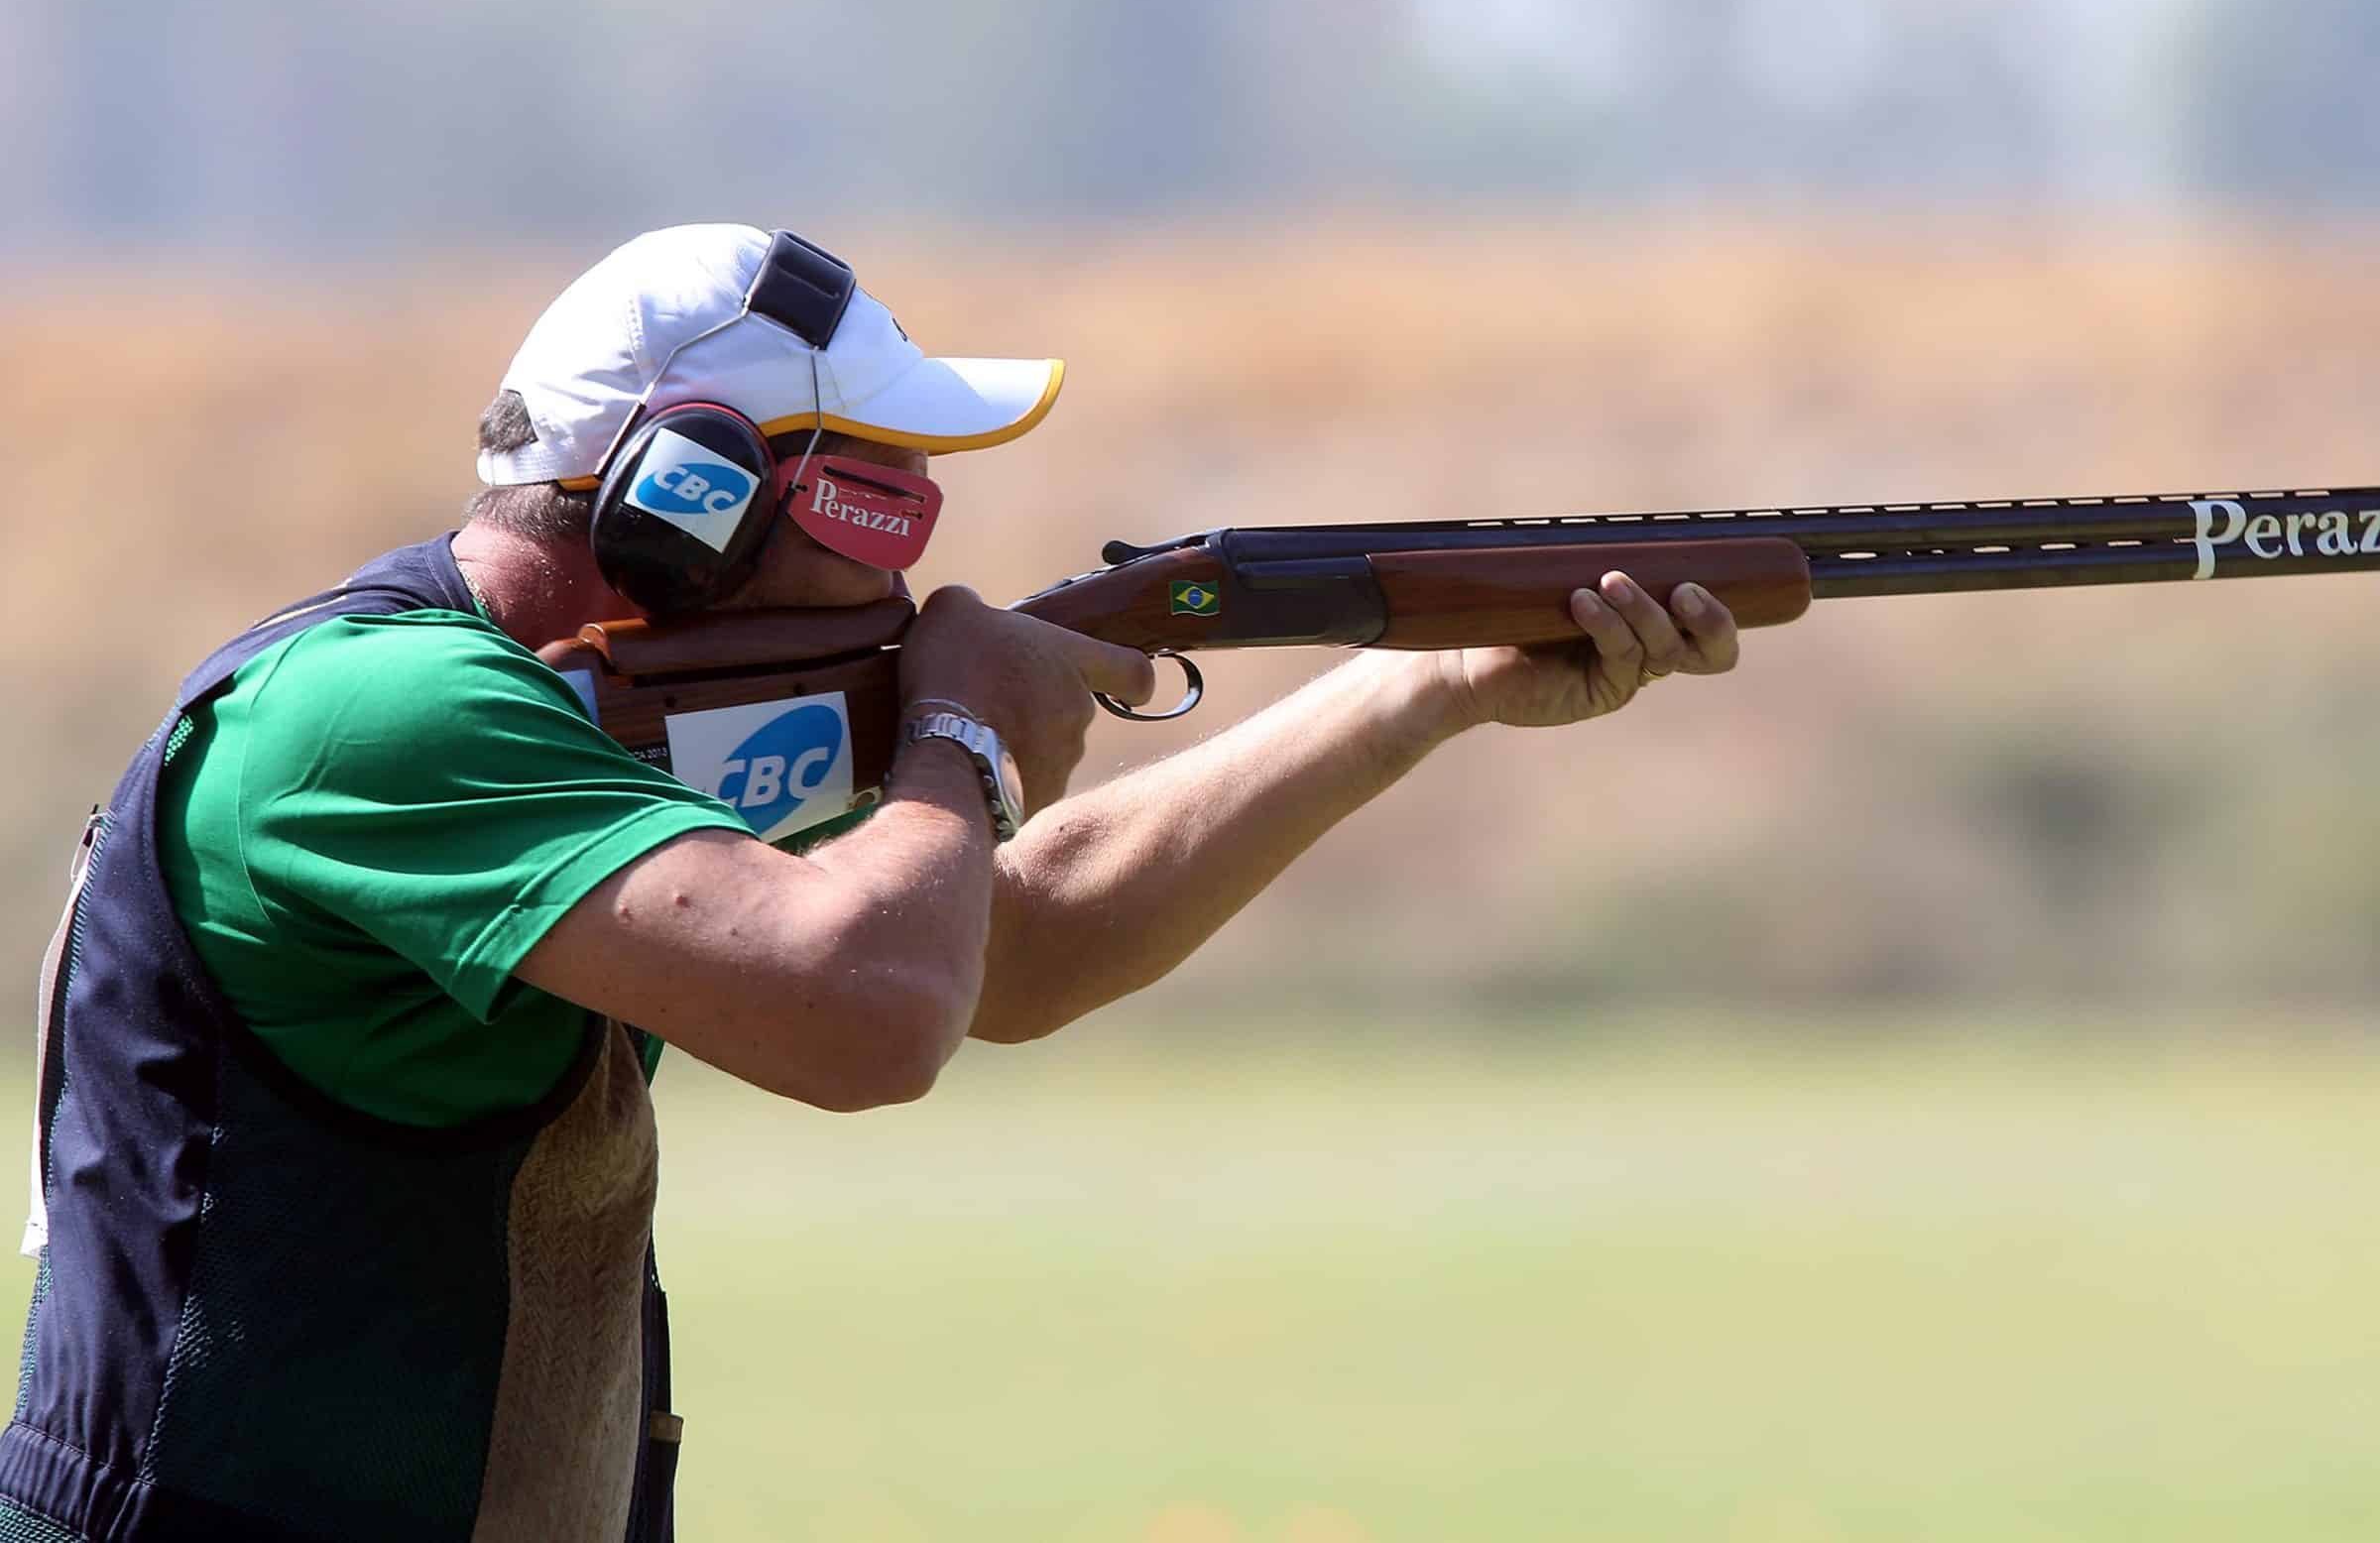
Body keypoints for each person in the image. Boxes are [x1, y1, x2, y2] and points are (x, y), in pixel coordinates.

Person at [8, 224, 1737, 1542]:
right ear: (673, 498)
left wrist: (1417, 688)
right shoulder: (380, 716)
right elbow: (868, 1017)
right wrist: (960, 740)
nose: (919, 530)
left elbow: (1015, 950)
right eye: (874, 489)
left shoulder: (557, 712)